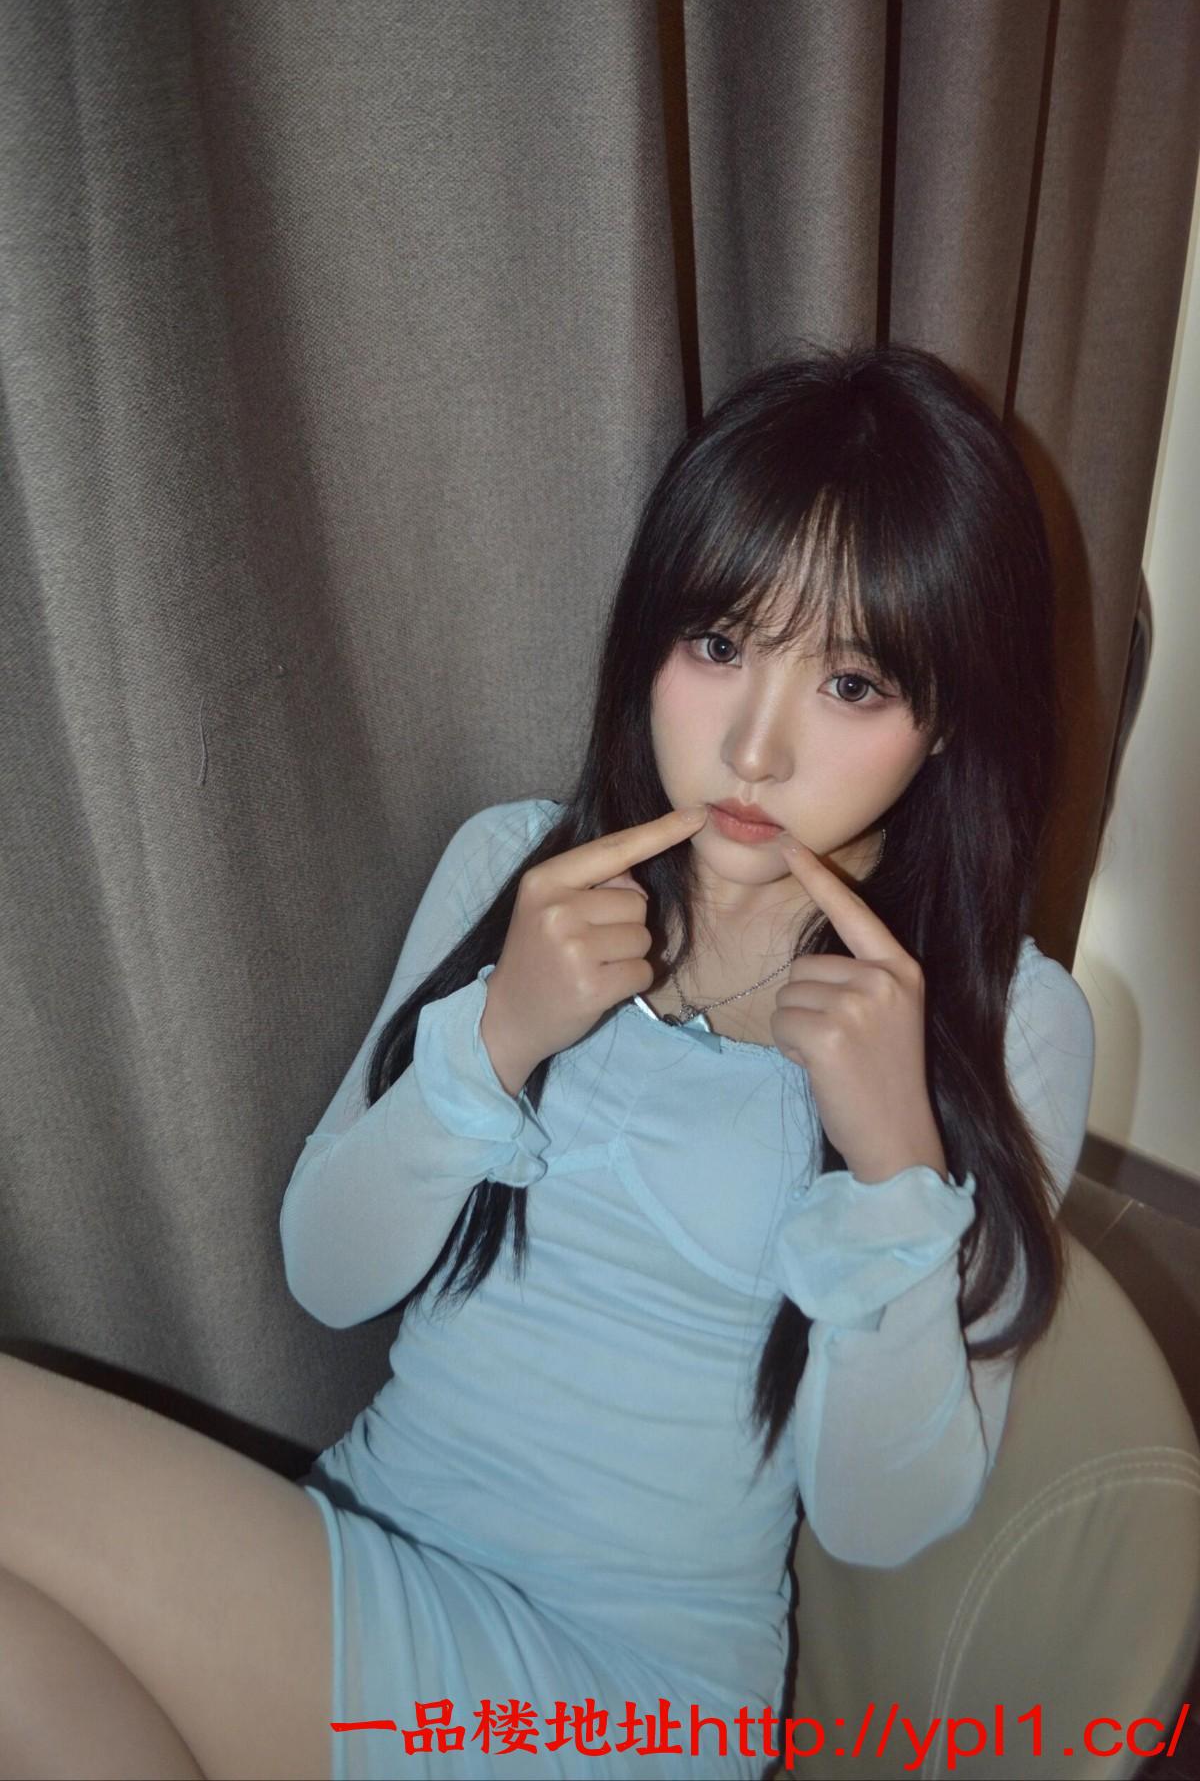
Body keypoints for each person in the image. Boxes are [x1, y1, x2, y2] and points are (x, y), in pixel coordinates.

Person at [0, 341, 1095, 1781]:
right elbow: (329, 1274)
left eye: (849, 681)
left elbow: (877, 1519)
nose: (755, 748)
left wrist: (896, 1165)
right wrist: (498, 1037)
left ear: (945, 719)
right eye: (719, 648)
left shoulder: (1006, 1017)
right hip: (363, 1542)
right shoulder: (521, 867)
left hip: (624, 1698)